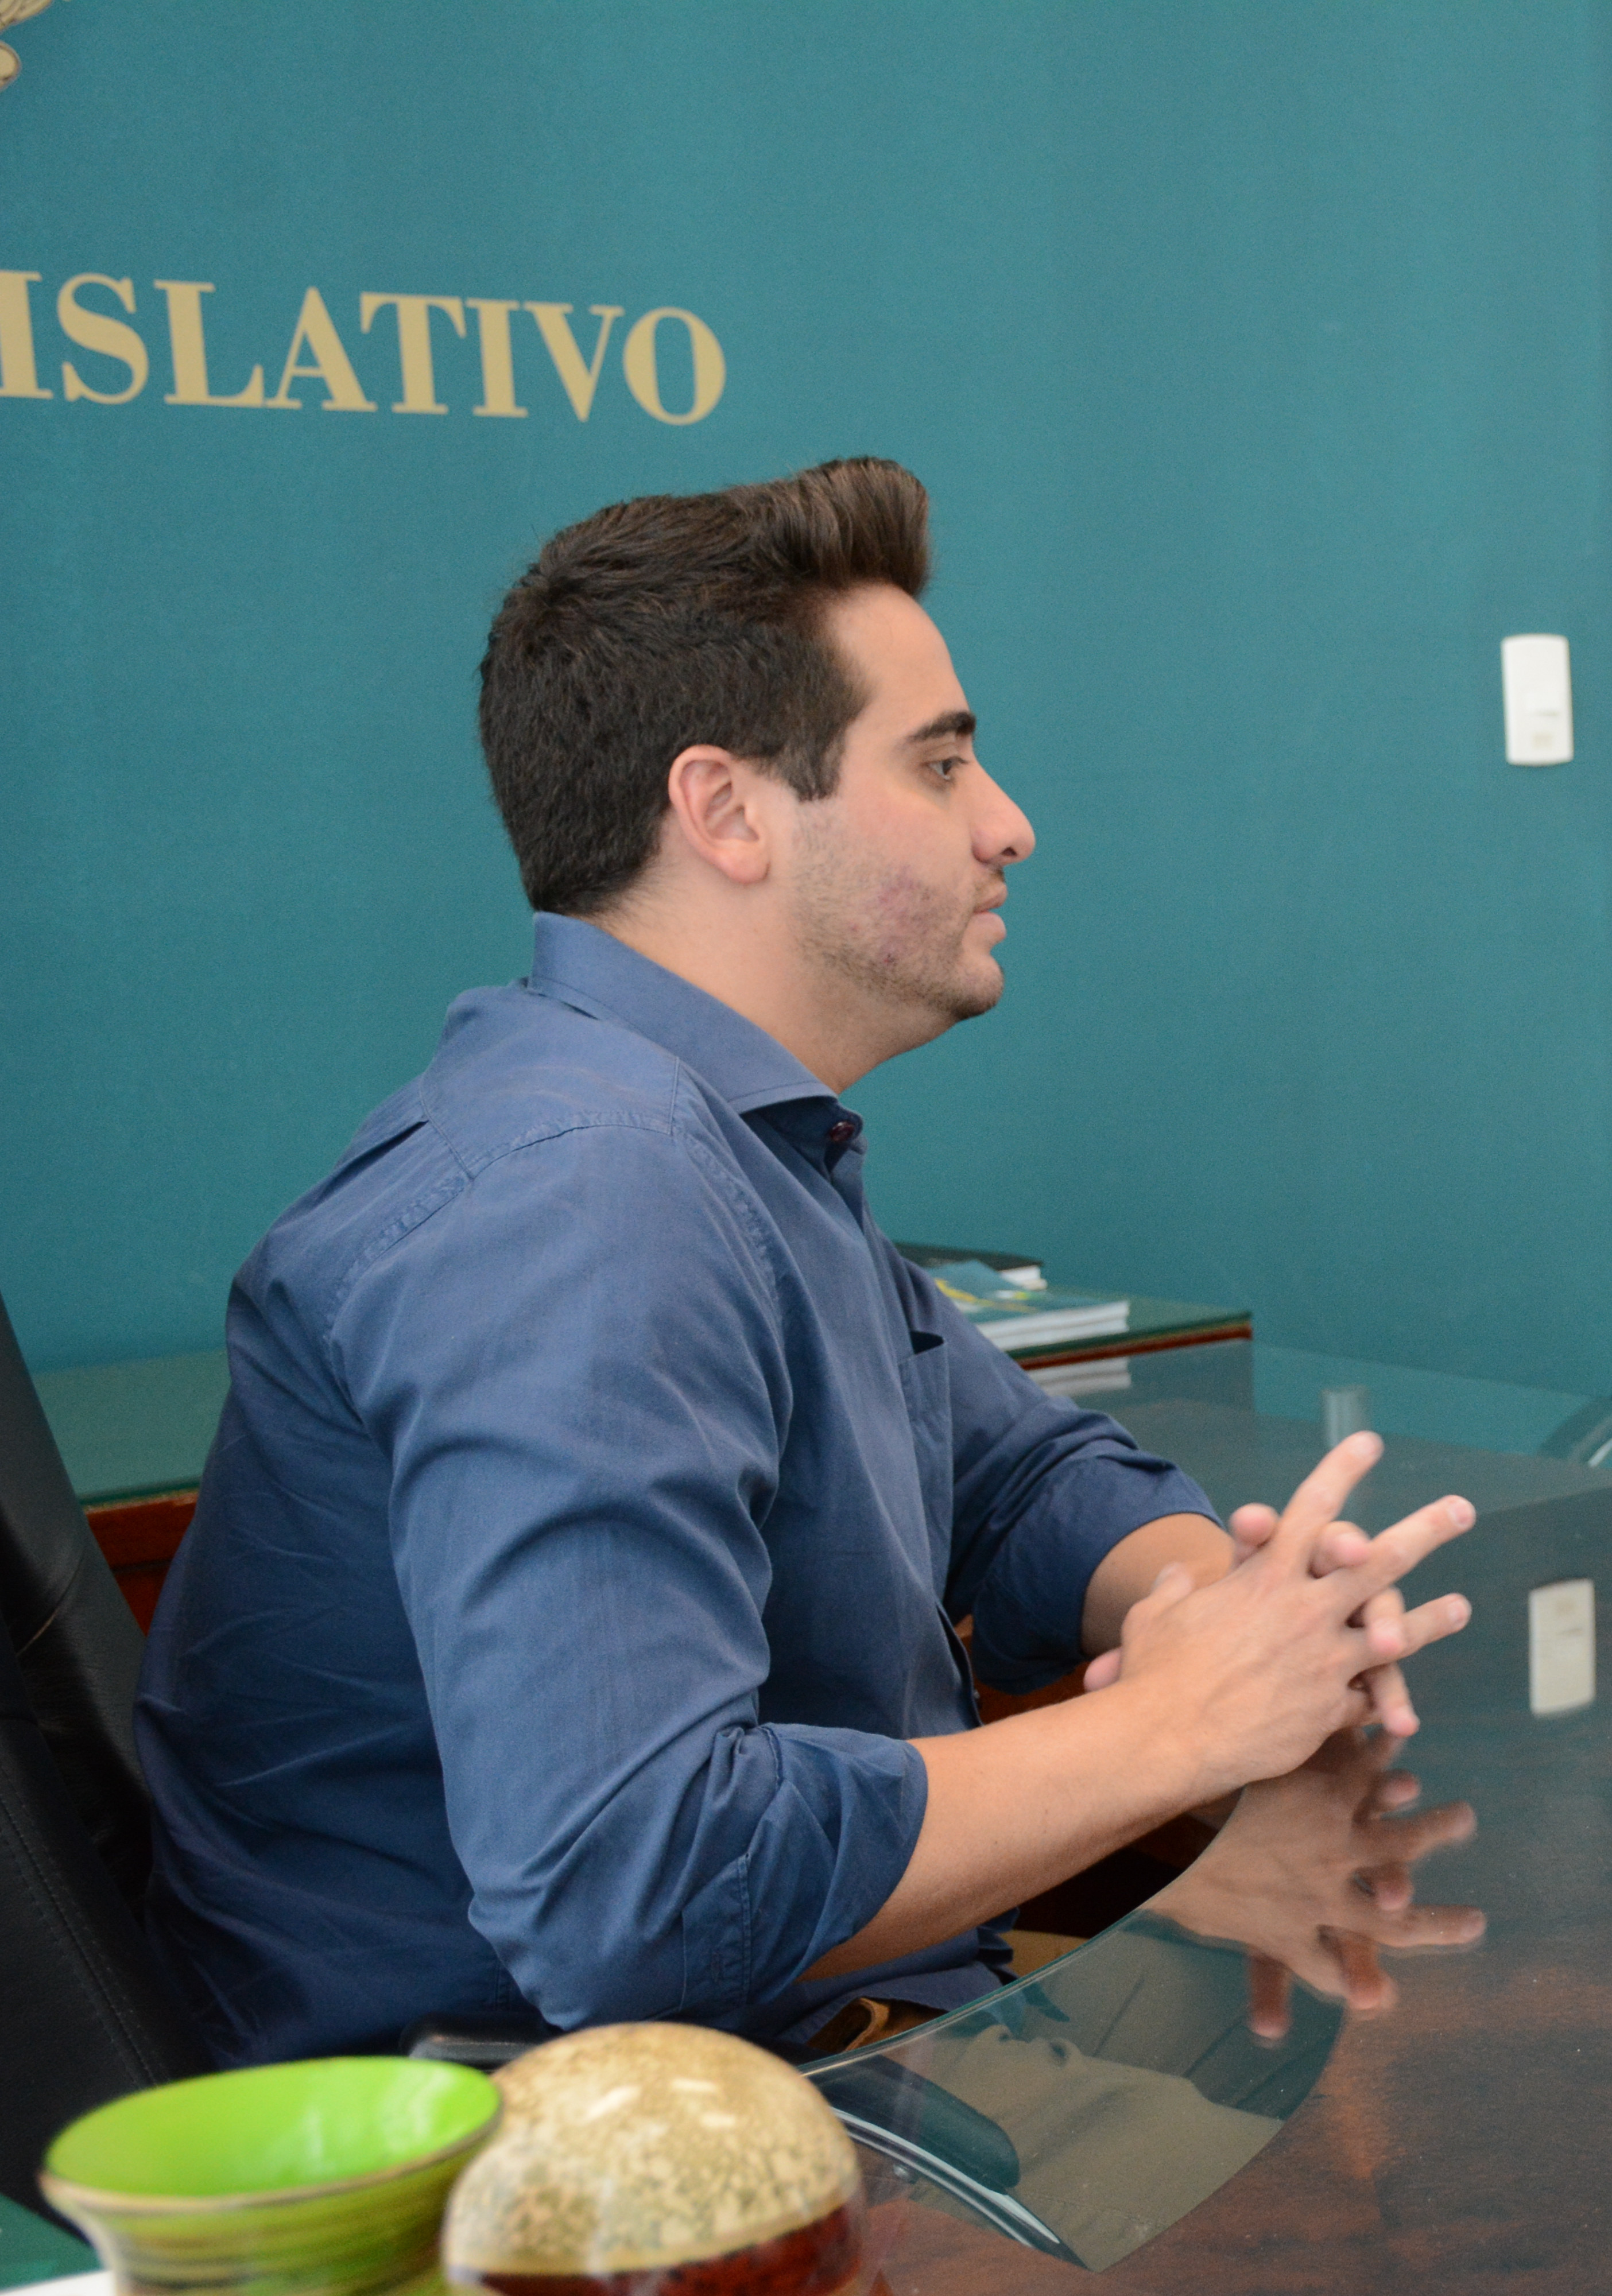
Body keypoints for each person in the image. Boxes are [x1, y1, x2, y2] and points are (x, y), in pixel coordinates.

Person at [138, 458, 1480, 2066]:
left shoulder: (718, 1138)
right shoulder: (585, 1203)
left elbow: (1019, 1476)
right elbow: (640, 1892)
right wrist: (1175, 1725)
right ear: (725, 812)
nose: (1011, 824)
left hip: (796, 2056)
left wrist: (1214, 1604)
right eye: (941, 764)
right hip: (551, 2161)